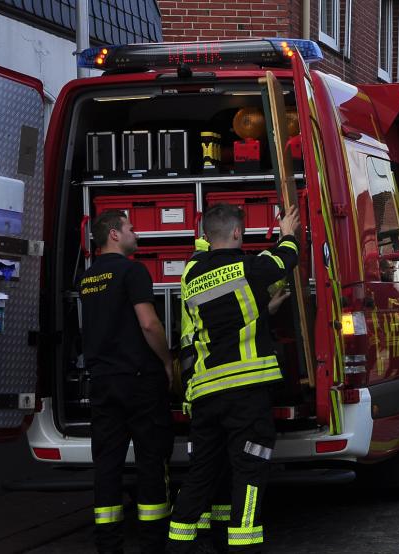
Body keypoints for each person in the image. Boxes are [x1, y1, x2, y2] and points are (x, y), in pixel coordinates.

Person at [167, 203, 300, 552]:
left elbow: (219, 317)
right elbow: (285, 258)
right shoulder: (249, 266)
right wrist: (287, 231)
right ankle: (244, 545)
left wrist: (264, 310)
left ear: (206, 237)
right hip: (246, 392)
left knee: (201, 474)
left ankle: (179, 545)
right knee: (249, 470)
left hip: (206, 393)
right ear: (238, 233)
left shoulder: (191, 272)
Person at [79, 209, 174, 554]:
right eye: (131, 228)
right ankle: (152, 543)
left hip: (102, 381)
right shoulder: (133, 271)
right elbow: (148, 323)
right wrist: (167, 361)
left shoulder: (87, 278)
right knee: (151, 459)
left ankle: (108, 544)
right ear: (114, 235)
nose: (138, 235)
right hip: (138, 380)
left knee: (107, 464)